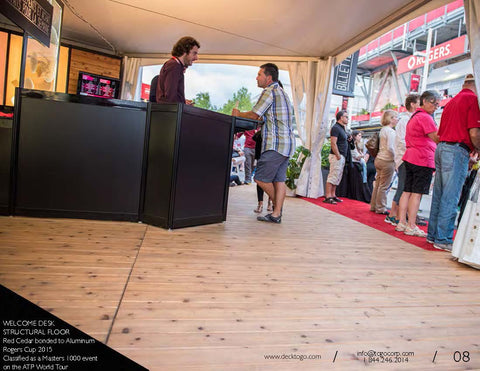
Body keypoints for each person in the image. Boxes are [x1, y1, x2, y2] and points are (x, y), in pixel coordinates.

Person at [232, 63, 295, 223]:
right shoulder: (283, 93)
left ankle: (278, 208)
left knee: (260, 178)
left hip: (275, 144)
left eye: (259, 74)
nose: (256, 77)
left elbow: (254, 115)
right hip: (287, 145)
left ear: (268, 77)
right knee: (278, 180)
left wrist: (238, 113)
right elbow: (264, 118)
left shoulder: (270, 91)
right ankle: (276, 214)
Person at [427, 74, 480, 251]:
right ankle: (443, 238)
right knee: (451, 195)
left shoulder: (452, 101)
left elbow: (440, 132)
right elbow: (474, 132)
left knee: (440, 194)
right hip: (457, 149)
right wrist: (478, 148)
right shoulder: (472, 99)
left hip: (442, 147)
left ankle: (433, 234)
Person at [395, 91, 440, 237]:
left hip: (410, 157)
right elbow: (436, 137)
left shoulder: (415, 116)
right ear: (426, 101)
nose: (436, 107)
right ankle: (411, 225)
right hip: (422, 158)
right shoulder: (425, 117)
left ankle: (402, 222)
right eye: (435, 103)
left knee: (407, 191)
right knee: (416, 193)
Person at [385, 94, 420, 225]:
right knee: (403, 187)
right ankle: (396, 215)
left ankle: (395, 214)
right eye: (418, 102)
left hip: (404, 157)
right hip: (405, 158)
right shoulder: (405, 120)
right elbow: (402, 141)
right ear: (412, 104)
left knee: (404, 187)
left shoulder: (407, 120)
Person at [156, 36, 200, 104]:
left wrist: (183, 102)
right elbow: (170, 97)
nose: (196, 58)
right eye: (194, 53)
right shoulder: (174, 66)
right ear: (185, 51)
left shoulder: (175, 65)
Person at [370, 109, 397, 214]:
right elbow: (391, 147)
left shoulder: (383, 130)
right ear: (391, 119)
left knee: (377, 184)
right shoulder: (390, 131)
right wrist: (396, 158)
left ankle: (373, 205)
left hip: (379, 159)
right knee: (384, 186)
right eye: (395, 117)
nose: (397, 119)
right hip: (387, 160)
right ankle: (381, 207)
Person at [324, 110, 350, 204]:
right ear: (341, 117)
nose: (347, 118)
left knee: (337, 176)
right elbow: (333, 143)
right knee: (333, 176)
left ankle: (333, 195)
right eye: (346, 116)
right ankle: (328, 196)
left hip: (342, 155)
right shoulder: (335, 128)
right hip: (337, 156)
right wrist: (338, 155)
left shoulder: (343, 128)